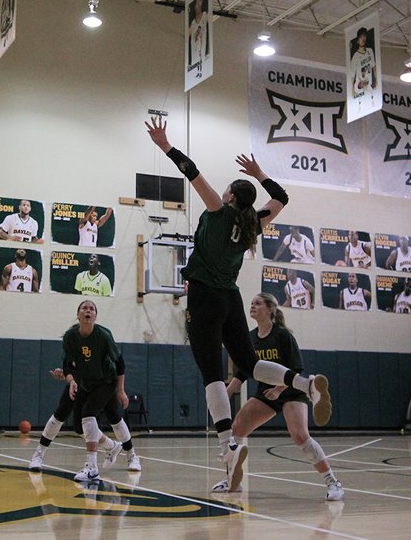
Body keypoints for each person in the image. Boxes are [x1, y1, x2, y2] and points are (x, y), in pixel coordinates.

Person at [145, 116, 331, 493]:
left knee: (211, 371)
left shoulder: (218, 210)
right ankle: (305, 383)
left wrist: (165, 145)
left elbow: (192, 172)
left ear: (230, 196)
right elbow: (281, 198)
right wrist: (261, 173)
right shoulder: (254, 221)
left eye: (228, 189)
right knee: (248, 363)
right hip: (231, 296)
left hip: (205, 295)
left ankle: (228, 442)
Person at [221, 293, 343, 500]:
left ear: (270, 309)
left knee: (300, 435)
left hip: (290, 392)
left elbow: (295, 368)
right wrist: (228, 391)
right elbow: (243, 370)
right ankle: (233, 480)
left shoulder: (283, 335)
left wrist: (278, 389)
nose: (252, 306)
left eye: (257, 303)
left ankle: (333, 482)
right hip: (265, 394)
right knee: (237, 429)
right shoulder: (250, 338)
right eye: (251, 303)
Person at [61, 300, 131, 482]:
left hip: (107, 380)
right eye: (84, 308)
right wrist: (71, 381)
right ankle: (112, 446)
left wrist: (121, 391)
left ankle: (92, 468)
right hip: (86, 382)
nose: (88, 311)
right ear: (78, 315)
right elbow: (68, 365)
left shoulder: (103, 335)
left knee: (89, 414)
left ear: (95, 316)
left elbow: (120, 363)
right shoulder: (70, 336)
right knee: (78, 426)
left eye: (92, 309)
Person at [348, 27, 376, 96]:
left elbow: (374, 68)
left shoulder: (370, 51)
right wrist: (352, 92)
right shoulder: (355, 56)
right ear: (358, 40)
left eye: (364, 36)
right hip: (359, 89)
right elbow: (352, 75)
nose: (363, 39)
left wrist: (377, 82)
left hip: (369, 87)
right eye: (361, 37)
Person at [187, 0, 208, 76]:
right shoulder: (192, 22)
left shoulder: (205, 15)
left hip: (201, 52)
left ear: (203, 2)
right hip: (194, 54)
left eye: (200, 0)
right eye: (197, 0)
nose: (198, 3)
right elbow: (187, 34)